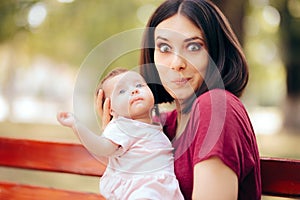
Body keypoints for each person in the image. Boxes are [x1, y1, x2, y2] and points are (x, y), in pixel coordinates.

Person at [98, 0, 262, 199]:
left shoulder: (216, 106)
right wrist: (119, 141)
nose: (176, 64)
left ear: (216, 52)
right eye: (164, 48)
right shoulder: (162, 126)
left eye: (193, 47)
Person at [57, 68, 184, 200]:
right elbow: (102, 147)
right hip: (140, 190)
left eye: (139, 85)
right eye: (122, 91)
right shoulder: (122, 127)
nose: (134, 90)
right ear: (111, 109)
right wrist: (77, 125)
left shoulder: (154, 125)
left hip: (161, 189)